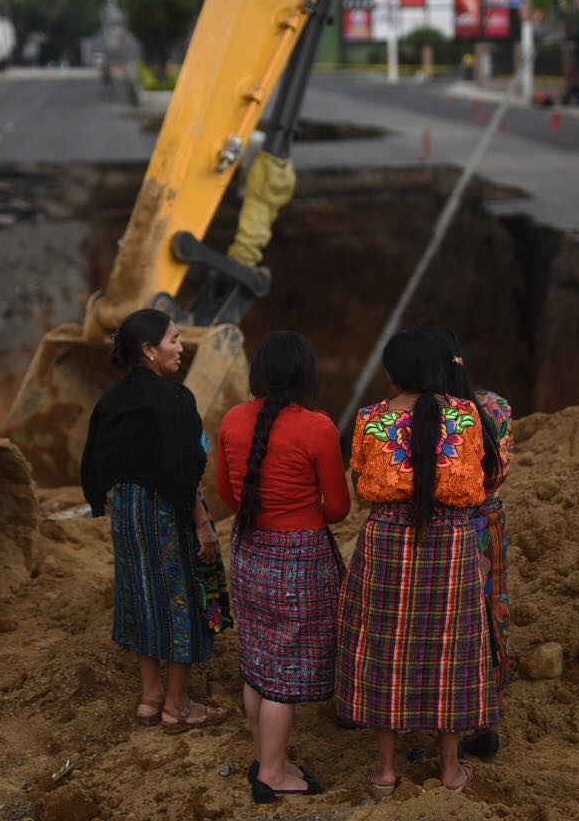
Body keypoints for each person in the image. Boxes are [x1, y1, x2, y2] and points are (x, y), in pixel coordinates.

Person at [336, 328, 505, 798]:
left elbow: (359, 482)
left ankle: (385, 772)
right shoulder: (468, 416)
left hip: (386, 542)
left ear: (391, 374)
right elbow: (482, 481)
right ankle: (450, 770)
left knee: (383, 649)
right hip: (451, 544)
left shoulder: (371, 419)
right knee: (452, 650)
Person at [81, 309, 229, 735]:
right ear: (149, 349)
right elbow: (183, 468)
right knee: (180, 594)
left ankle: (150, 698)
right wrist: (202, 522)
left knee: (141, 594)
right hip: (168, 508)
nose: (181, 348)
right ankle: (178, 705)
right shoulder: (175, 399)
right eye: (174, 340)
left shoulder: (112, 400)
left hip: (127, 510)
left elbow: (95, 459)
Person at [216, 331, 350, 804]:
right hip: (299, 557)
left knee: (258, 661)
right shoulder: (317, 428)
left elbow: (227, 494)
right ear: (305, 376)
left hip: (249, 550)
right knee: (285, 673)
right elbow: (338, 508)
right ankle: (271, 774)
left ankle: (266, 758)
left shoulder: (232, 420)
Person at [424, 327, 515, 767]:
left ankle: (455, 728)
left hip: (454, 529)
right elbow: (501, 468)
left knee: (455, 629)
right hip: (491, 522)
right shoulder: (496, 406)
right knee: (493, 612)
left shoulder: (437, 415)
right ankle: (490, 726)